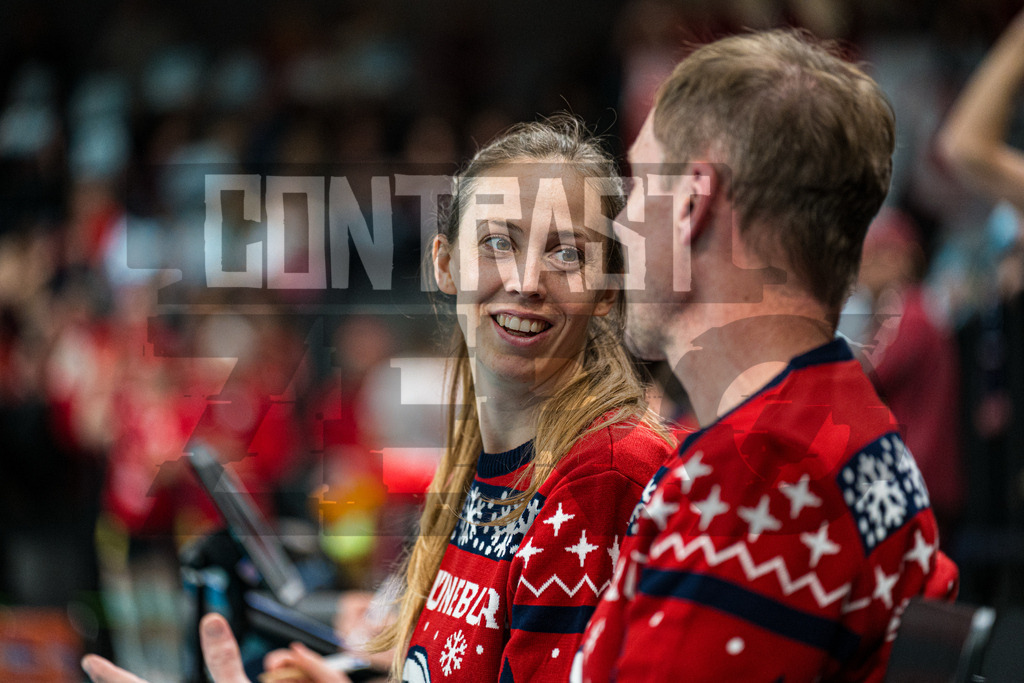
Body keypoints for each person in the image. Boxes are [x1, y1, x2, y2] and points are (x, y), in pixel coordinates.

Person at [82, 117, 675, 683]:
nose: (525, 280)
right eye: (498, 242)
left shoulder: (608, 469)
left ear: (605, 291)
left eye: (566, 253)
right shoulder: (487, 468)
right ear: (445, 264)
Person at [574, 30, 957, 682]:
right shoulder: (825, 425)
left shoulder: (763, 479)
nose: (619, 223)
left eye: (638, 182)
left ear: (691, 203)